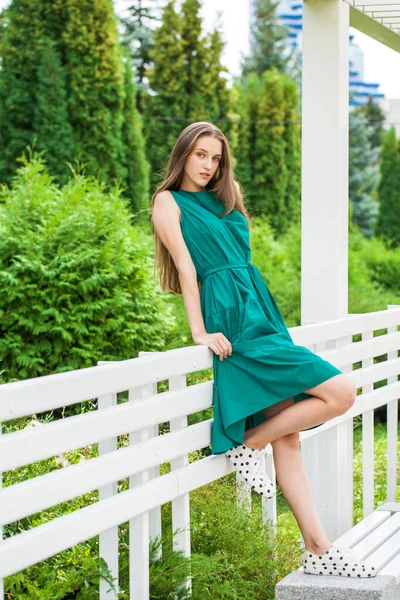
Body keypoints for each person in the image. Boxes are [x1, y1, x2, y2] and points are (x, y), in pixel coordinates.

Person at [151, 121, 376, 578]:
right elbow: (187, 268)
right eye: (200, 155)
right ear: (183, 154)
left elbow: (242, 256)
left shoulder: (227, 194)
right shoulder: (167, 202)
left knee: (288, 436)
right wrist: (198, 331)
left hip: (262, 311)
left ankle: (318, 548)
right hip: (231, 318)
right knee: (341, 392)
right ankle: (249, 445)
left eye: (215, 158)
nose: (208, 166)